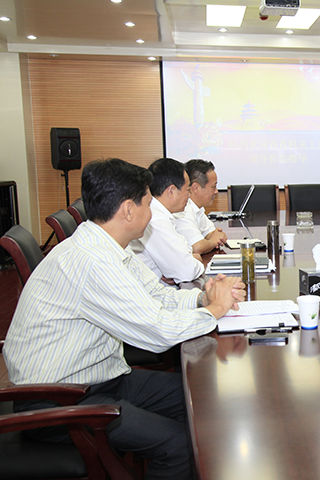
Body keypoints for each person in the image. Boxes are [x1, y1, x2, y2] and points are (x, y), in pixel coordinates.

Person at [3, 158, 246, 480]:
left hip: (101, 378)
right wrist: (215, 310)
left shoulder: (109, 246)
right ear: (129, 210)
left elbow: (156, 295)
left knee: (203, 395)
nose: (153, 211)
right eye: (148, 203)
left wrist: (203, 298)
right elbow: (157, 332)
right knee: (178, 445)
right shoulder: (92, 261)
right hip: (59, 401)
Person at [130, 157, 205, 283]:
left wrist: (189, 259)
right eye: (187, 190)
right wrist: (194, 260)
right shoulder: (155, 218)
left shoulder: (161, 214)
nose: (189, 196)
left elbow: (187, 251)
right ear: (171, 191)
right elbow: (187, 271)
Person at [174, 159, 228, 254]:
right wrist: (212, 242)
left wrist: (212, 239)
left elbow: (213, 234)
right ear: (195, 187)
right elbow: (197, 247)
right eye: (213, 187)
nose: (216, 192)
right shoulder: (183, 210)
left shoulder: (197, 209)